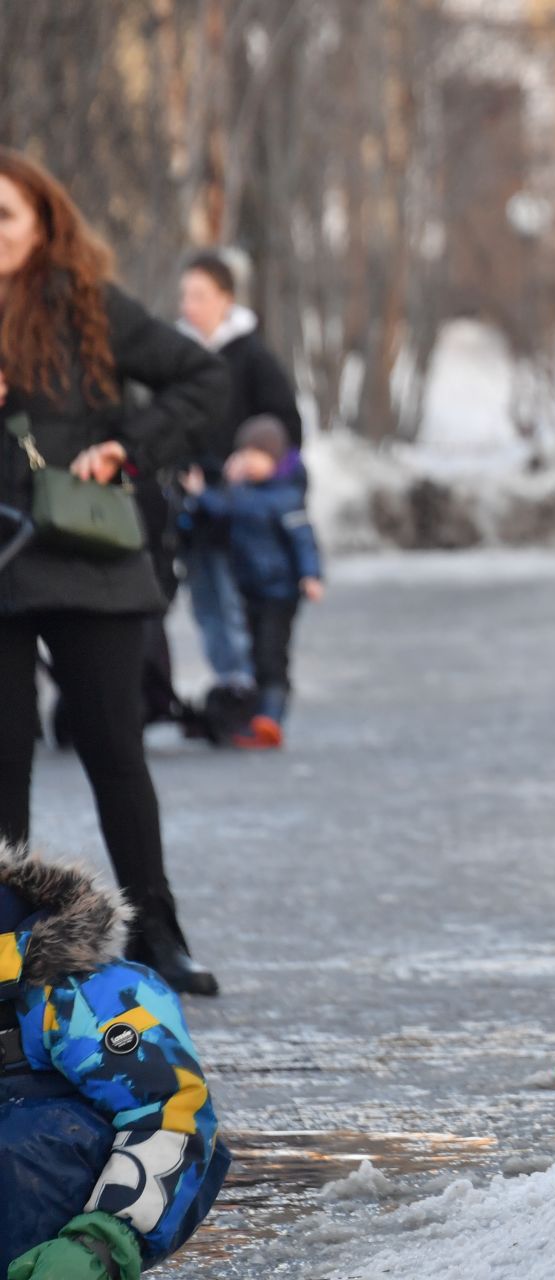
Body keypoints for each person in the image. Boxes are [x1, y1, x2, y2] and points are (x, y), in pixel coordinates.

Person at [0, 149, 225, 996]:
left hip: (84, 555)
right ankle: (8, 939)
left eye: (6, 217)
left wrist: (127, 448)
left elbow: (203, 380)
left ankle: (155, 929)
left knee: (111, 747)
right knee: (1, 753)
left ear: (44, 224)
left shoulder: (87, 306)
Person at [1, 843, 229, 1279]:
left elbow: (171, 1112)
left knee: (28, 1135)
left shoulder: (86, 993)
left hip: (69, 1219)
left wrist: (104, 1241)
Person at [176, 250, 302, 711]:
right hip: (195, 504)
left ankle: (254, 687)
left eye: (200, 295)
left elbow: (287, 428)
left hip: (244, 512)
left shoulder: (252, 356)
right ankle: (230, 683)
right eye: (185, 295)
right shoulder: (173, 355)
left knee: (240, 602)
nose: (189, 305)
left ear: (225, 299)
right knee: (206, 601)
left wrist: (254, 463)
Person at [180, 416, 322, 750]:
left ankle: (270, 719)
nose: (248, 462)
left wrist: (311, 575)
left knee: (272, 656)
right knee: (254, 654)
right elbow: (221, 509)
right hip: (250, 590)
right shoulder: (241, 494)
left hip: (280, 593)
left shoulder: (284, 497)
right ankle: (254, 716)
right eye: (244, 456)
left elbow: (304, 540)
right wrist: (203, 492)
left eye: (256, 456)